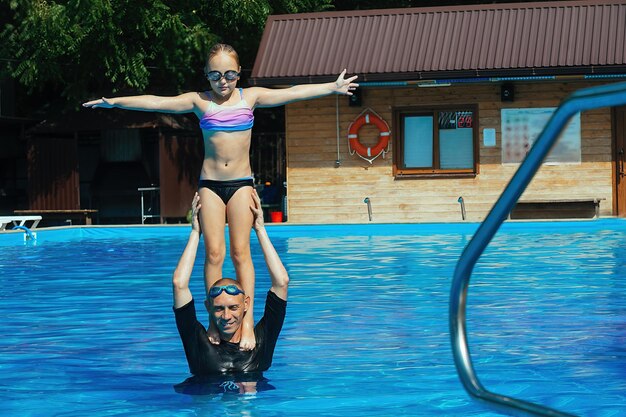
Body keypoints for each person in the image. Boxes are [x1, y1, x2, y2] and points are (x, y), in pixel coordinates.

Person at [83, 43, 357, 350]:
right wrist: (115, 102)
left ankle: (248, 322)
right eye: (215, 75)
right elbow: (156, 102)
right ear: (206, 75)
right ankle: (214, 321)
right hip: (210, 186)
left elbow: (291, 93)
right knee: (214, 253)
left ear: (239, 74)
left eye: (229, 74)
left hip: (241, 184)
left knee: (241, 253)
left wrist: (332, 87)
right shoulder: (199, 101)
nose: (223, 81)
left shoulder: (250, 97)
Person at [171, 189, 289, 376]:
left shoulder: (260, 341)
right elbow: (179, 283)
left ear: (246, 305)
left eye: (233, 307)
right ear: (208, 307)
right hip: (208, 403)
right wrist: (195, 232)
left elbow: (282, 282)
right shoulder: (199, 343)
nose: (226, 316)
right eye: (219, 308)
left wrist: (260, 229)